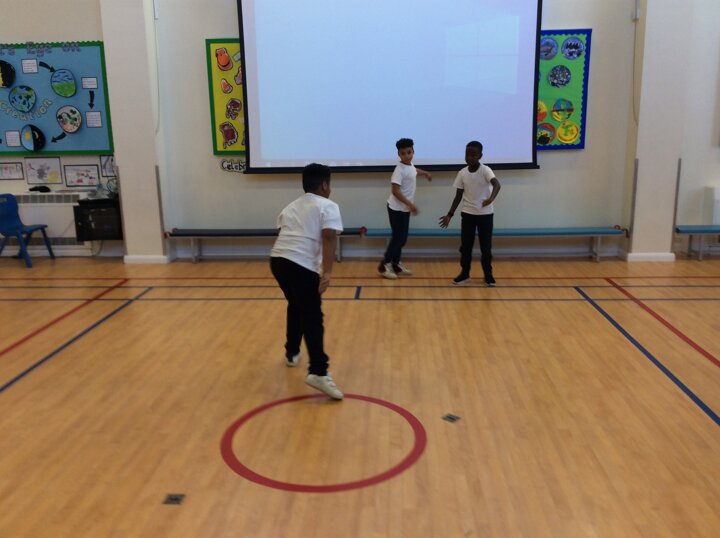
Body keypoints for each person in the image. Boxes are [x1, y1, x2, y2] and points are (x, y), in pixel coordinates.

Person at [270, 163, 344, 400]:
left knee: (296, 304)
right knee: (312, 316)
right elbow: (329, 237)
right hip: (300, 264)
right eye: (330, 184)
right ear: (324, 185)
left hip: (278, 260)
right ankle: (318, 372)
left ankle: (292, 352)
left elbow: (283, 232)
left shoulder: (290, 206)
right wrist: (327, 273)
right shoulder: (328, 205)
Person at [439, 141, 501, 286]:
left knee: (486, 248)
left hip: (485, 215)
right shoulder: (462, 173)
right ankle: (465, 274)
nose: (469, 158)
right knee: (466, 247)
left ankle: (488, 275)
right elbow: (458, 195)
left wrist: (491, 199)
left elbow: (497, 184)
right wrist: (449, 214)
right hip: (468, 214)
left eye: (473, 155)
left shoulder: (485, 170)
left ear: (480, 156)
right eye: (467, 155)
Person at [378, 138, 432, 279]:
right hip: (396, 209)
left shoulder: (410, 166)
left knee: (402, 239)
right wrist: (410, 204)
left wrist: (425, 173)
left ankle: (396, 264)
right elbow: (395, 191)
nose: (407, 156)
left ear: (413, 151)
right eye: (403, 153)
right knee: (397, 238)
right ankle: (384, 265)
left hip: (404, 209)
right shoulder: (399, 170)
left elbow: (414, 171)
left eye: (409, 152)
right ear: (399, 154)